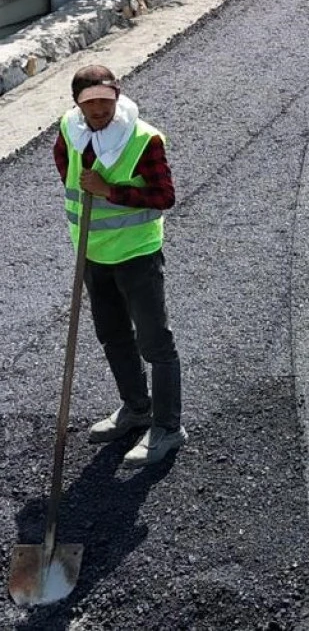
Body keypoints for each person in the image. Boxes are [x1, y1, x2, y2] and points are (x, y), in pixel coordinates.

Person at [52, 65, 186, 466]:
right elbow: (64, 165)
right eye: (89, 103)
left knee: (155, 342)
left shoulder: (143, 139)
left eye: (105, 101)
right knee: (112, 335)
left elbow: (164, 196)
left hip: (136, 254)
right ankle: (136, 407)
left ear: (117, 97)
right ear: (77, 105)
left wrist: (109, 191)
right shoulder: (70, 129)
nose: (99, 110)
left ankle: (167, 427)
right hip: (92, 253)